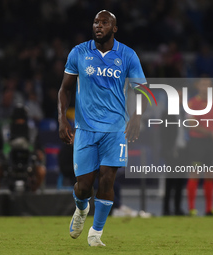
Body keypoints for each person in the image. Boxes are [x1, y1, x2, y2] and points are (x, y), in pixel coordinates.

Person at [58, 10, 146, 246]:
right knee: (84, 187)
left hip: (116, 128)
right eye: (96, 22)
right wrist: (62, 119)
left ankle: (96, 234)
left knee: (107, 180)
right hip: (85, 129)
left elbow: (143, 91)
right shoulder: (79, 52)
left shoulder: (127, 55)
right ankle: (81, 208)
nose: (98, 26)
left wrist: (136, 117)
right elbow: (65, 89)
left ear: (114, 28)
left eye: (104, 23)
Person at [186, 78, 213, 216]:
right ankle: (192, 208)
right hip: (197, 142)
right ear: (198, 86)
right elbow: (191, 124)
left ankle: (209, 209)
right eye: (203, 84)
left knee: (210, 175)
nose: (205, 87)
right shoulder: (192, 103)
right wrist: (210, 133)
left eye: (208, 85)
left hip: (211, 144)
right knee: (195, 173)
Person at [0, 105, 46, 193]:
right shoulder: (5, 131)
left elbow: (39, 150)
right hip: (7, 164)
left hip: (29, 165)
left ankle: (33, 192)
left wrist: (39, 154)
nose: (20, 122)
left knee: (41, 171)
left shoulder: (33, 132)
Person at [161, 87, 187, 216]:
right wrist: (167, 150)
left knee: (181, 181)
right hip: (172, 152)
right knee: (170, 181)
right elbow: (163, 135)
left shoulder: (184, 114)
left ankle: (177, 208)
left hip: (183, 151)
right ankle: (166, 209)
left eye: (182, 97)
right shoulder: (167, 114)